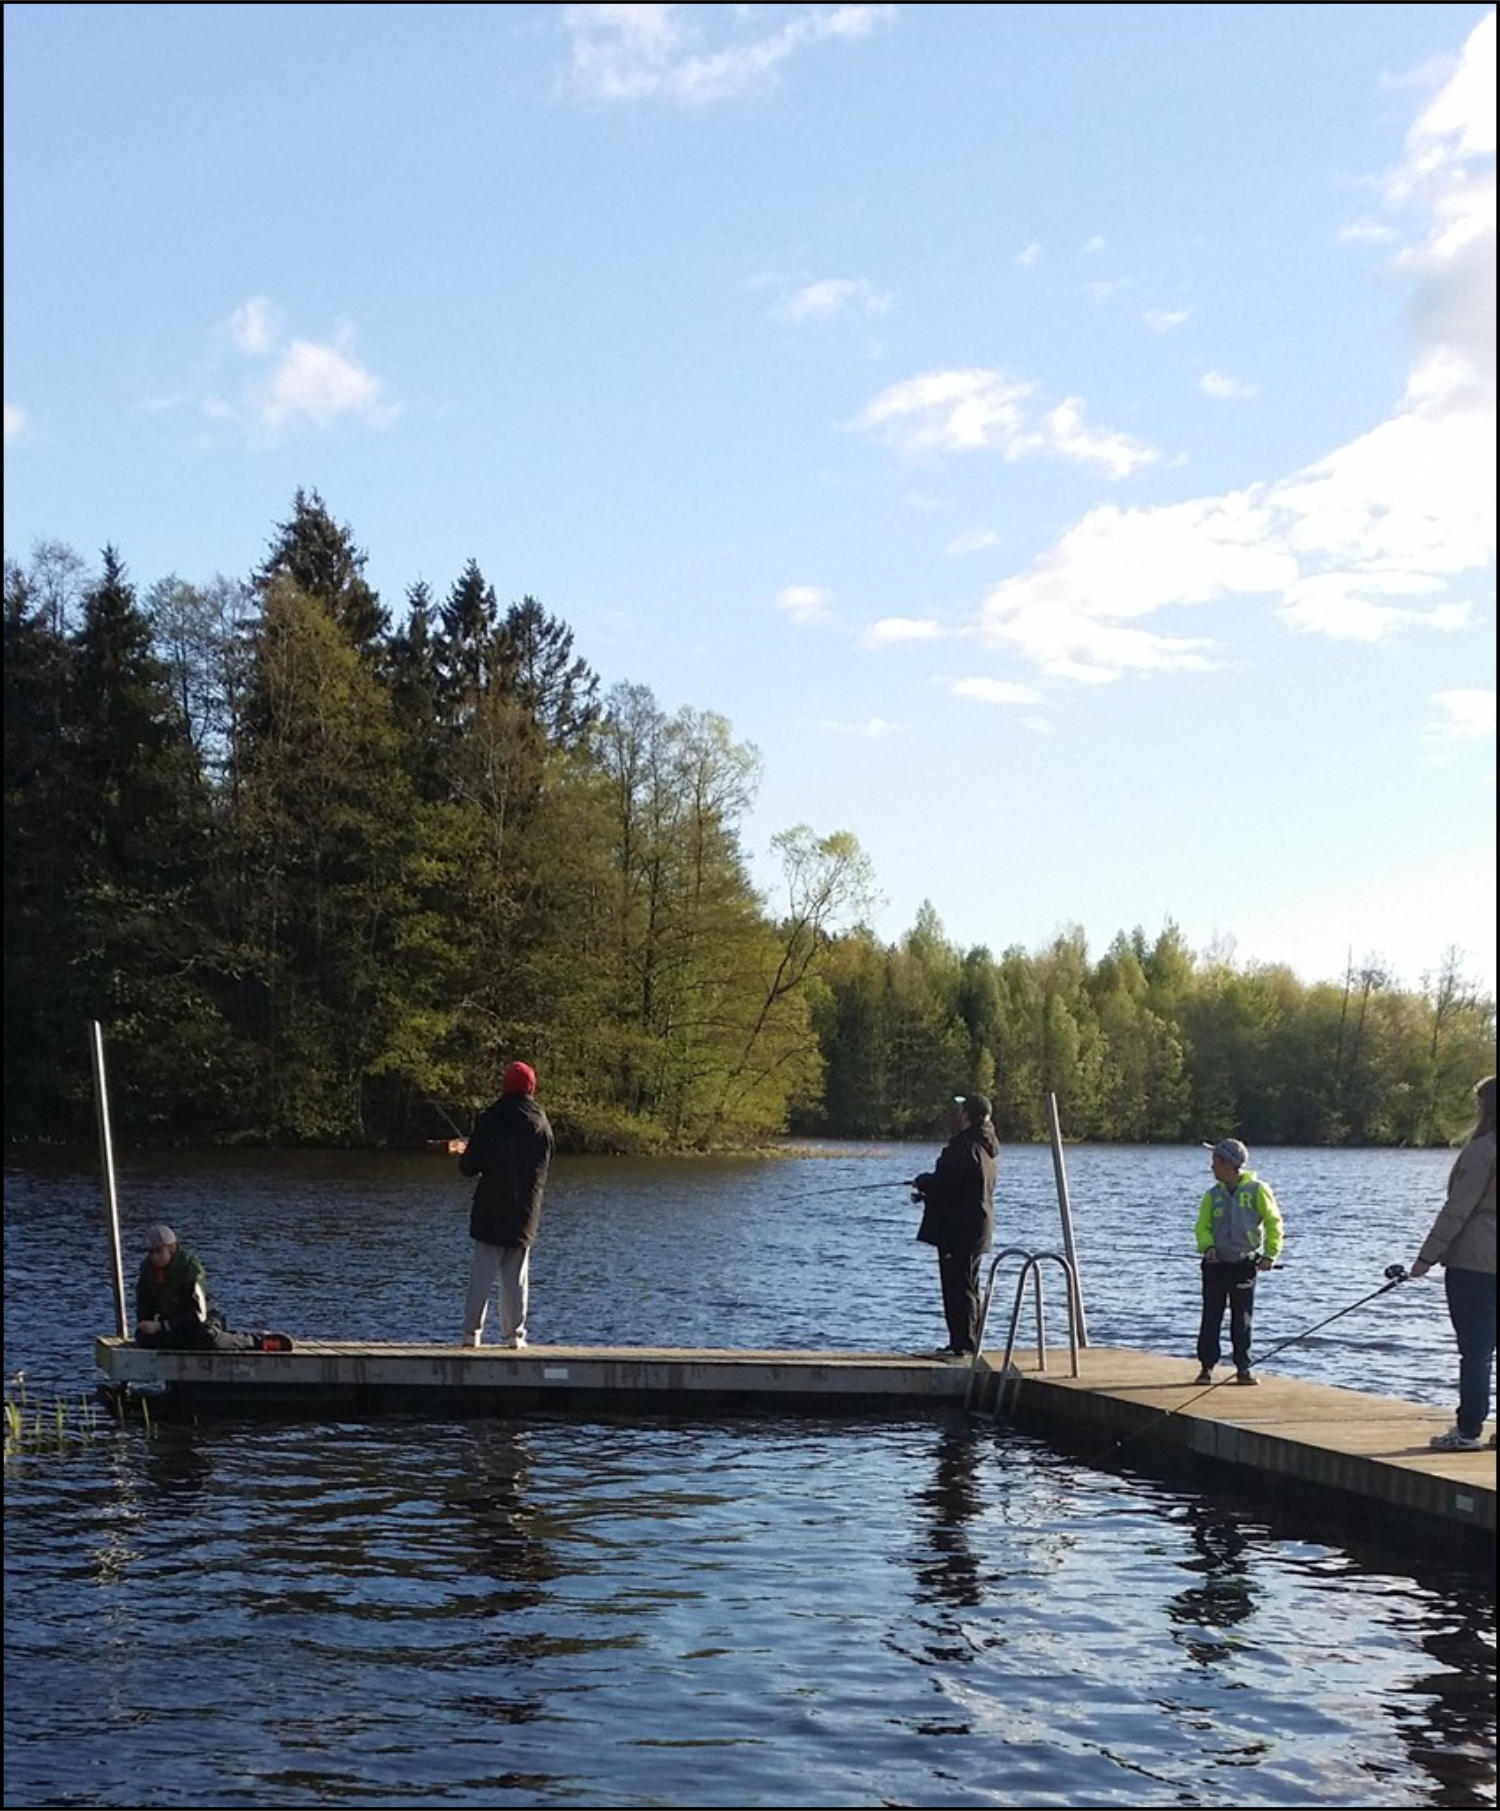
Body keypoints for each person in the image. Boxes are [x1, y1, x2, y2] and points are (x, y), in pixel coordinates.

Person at [1409, 1075, 1496, 1452]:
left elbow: (1457, 1210)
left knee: (1476, 1350)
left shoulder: (1483, 1151)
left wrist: (1426, 1257)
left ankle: (1467, 1430)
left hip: (1475, 1262)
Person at [460, 1060, 555, 1349]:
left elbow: (468, 1167)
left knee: (482, 1276)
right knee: (516, 1279)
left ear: (506, 1086)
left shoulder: (490, 1119)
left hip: (490, 1210)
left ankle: (471, 1335)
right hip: (524, 1211)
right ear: (532, 1088)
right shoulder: (542, 1124)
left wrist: (469, 1151)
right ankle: (514, 1336)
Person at [911, 1093, 998, 1359]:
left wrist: (923, 1181)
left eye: (961, 1110)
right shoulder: (986, 1146)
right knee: (968, 1287)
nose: (958, 1114)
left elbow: (944, 1182)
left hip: (959, 1231)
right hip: (975, 1227)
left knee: (958, 1288)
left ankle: (962, 1345)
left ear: (968, 1115)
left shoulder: (965, 1146)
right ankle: (967, 1343)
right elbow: (961, 1187)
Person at [1193, 1139, 1283, 1385]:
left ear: (1228, 1164)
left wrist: (1270, 1254)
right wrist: (1208, 1246)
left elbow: (1273, 1222)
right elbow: (1202, 1225)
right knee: (1211, 1317)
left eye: (1215, 1161)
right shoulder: (1213, 1195)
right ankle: (1206, 1367)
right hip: (1215, 1265)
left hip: (1244, 1265)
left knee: (1242, 1320)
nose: (1211, 1167)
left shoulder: (1257, 1190)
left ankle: (1243, 1368)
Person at [133, 1225, 290, 1352]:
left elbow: (196, 1313)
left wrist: (162, 1326)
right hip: (170, 1324)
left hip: (203, 1318)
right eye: (150, 1252)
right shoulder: (147, 1272)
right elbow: (143, 1307)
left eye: (158, 1251)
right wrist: (148, 1325)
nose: (154, 1257)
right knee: (144, 1338)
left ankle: (256, 1341)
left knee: (206, 1337)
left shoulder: (190, 1269)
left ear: (172, 1248)